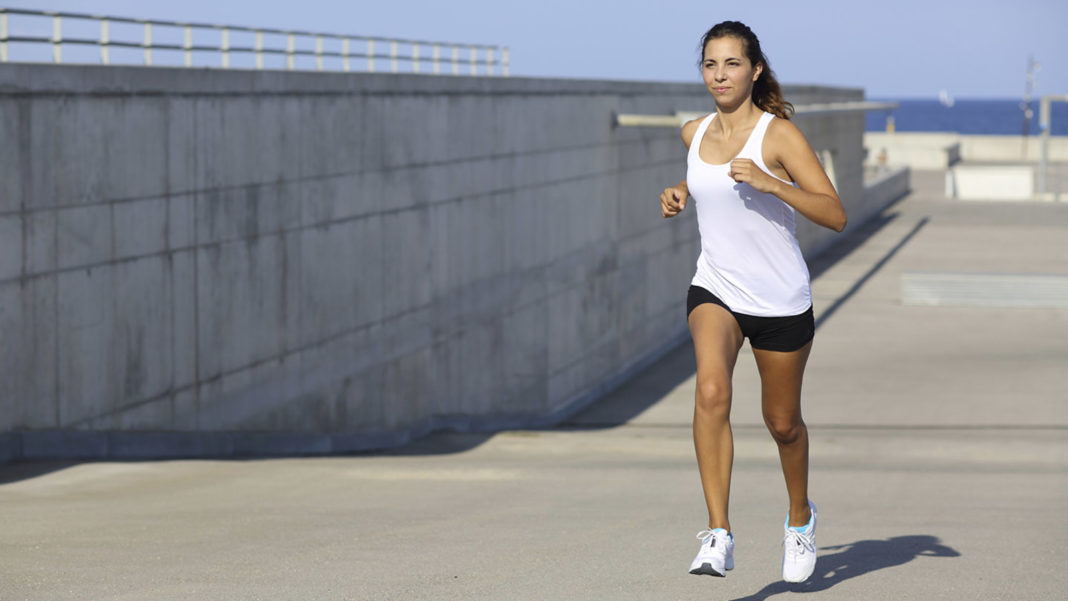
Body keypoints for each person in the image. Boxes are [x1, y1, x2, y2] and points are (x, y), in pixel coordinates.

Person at [659, 21, 846, 584]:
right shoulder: (694, 133)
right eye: (710, 65)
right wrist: (681, 191)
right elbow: (707, 179)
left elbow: (833, 214)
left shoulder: (779, 135)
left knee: (782, 422)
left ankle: (800, 518)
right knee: (712, 390)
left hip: (779, 298)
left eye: (732, 64)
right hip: (715, 286)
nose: (720, 75)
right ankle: (719, 533)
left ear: (754, 69)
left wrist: (773, 184)